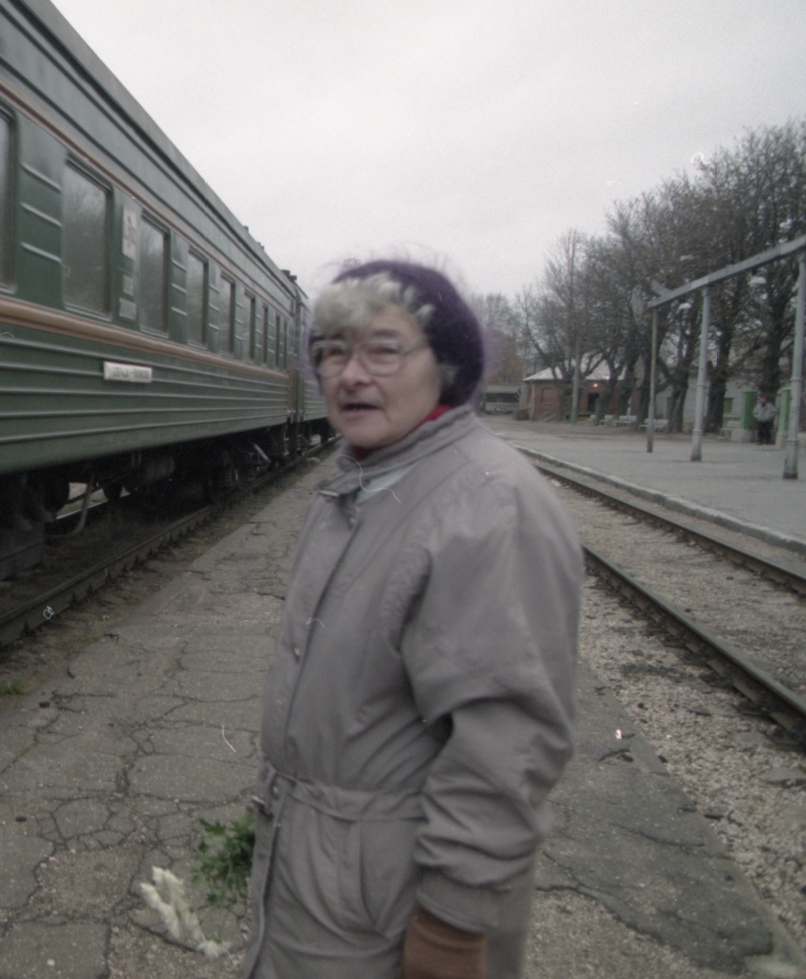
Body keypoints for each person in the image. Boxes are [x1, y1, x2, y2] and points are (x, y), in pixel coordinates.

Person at [241, 261, 582, 979]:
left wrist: (453, 923)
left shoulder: (487, 505)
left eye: (383, 350)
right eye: (332, 352)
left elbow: (508, 743)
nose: (350, 374)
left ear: (445, 367)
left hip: (389, 898)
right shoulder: (360, 484)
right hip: (331, 877)